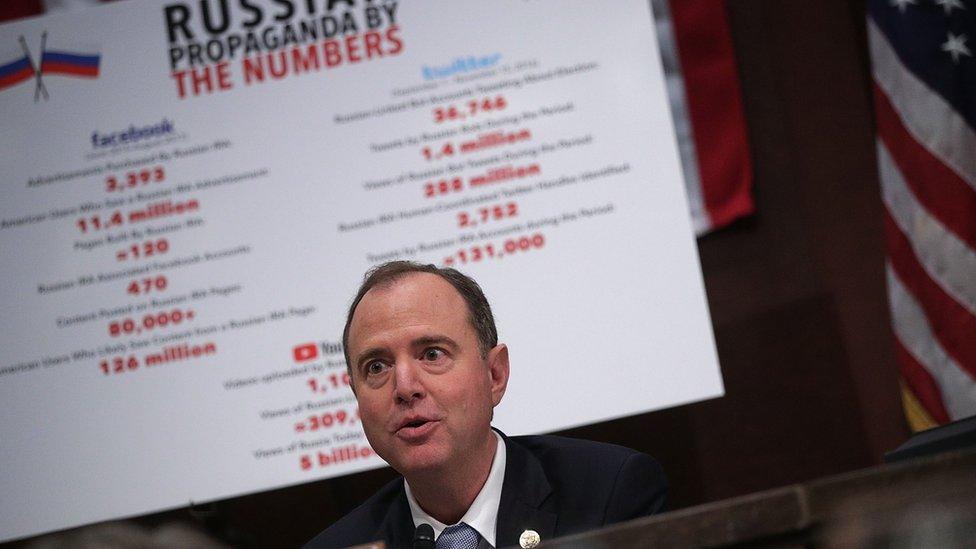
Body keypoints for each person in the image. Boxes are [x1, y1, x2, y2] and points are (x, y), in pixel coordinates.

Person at [304, 261, 667, 549]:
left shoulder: (609, 493)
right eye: (377, 367)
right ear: (356, 396)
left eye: (432, 354)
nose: (404, 387)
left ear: (494, 375)